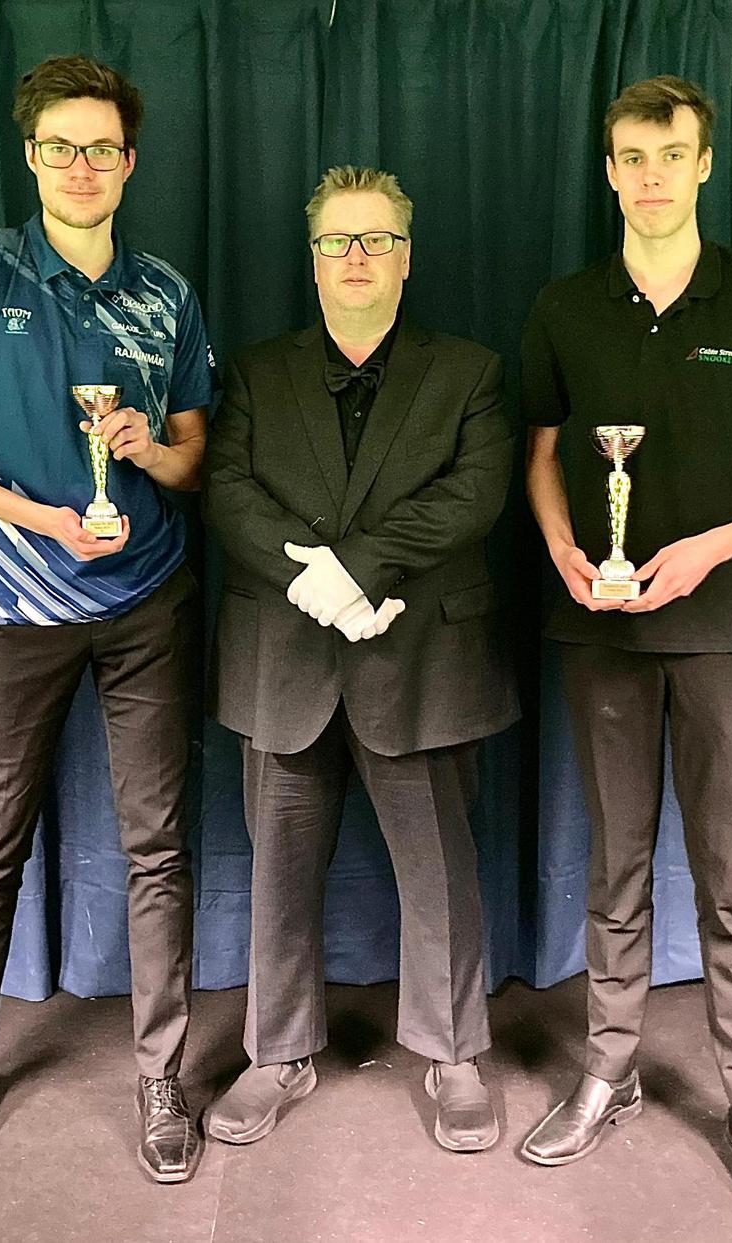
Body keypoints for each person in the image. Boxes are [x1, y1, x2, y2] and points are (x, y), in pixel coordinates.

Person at [520, 75, 732, 1222]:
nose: (651, 174)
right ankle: (607, 1070)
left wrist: (714, 545)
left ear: (704, 162)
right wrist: (564, 547)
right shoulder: (566, 306)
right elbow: (540, 454)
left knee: (728, 878)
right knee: (614, 870)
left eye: (670, 153)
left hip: (723, 628)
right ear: (608, 169)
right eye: (631, 156)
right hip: (601, 625)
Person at [0, 55, 216, 1184]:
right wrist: (36, 516)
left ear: (131, 162)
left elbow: (195, 458)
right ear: (30, 156)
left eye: (102, 148)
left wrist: (147, 452)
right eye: (61, 146)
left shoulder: (166, 292)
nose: (83, 166)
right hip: (17, 605)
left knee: (157, 845)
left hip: (149, 602)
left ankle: (162, 1074)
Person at [202, 165, 519, 1153]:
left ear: (406, 256)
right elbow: (228, 487)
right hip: (284, 657)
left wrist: (356, 568)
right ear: (313, 258)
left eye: (376, 239)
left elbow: (476, 492)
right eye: (337, 240)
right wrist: (316, 582)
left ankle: (454, 1054)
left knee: (441, 876)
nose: (356, 257)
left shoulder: (469, 371)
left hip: (421, 658)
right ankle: (277, 1053)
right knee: (278, 875)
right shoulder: (255, 370)